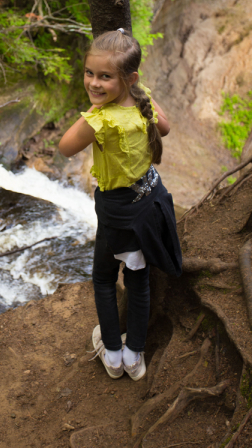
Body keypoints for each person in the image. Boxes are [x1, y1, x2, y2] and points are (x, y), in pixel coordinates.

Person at [59, 28, 182, 382]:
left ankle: (113, 356)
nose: (94, 83)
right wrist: (133, 93)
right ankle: (135, 355)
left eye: (105, 76)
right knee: (139, 280)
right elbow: (168, 128)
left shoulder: (99, 119)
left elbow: (66, 147)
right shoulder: (143, 100)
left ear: (128, 78)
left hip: (118, 214)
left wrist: (93, 112)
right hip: (149, 202)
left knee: (103, 278)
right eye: (90, 73)